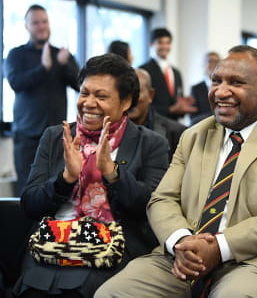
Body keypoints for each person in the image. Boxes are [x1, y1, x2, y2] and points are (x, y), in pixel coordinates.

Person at [96, 45, 257, 298]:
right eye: (216, 81)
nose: (221, 91)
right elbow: (162, 199)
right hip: (185, 256)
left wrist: (219, 247)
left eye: (236, 82)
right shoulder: (194, 136)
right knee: (112, 293)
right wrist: (181, 241)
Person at [13, 54, 169, 298]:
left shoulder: (150, 144)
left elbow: (150, 207)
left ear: (126, 101)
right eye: (84, 93)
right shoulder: (55, 137)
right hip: (51, 244)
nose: (89, 102)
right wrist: (65, 179)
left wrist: (112, 173)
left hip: (112, 248)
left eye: (102, 96)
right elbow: (29, 204)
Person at [4, 4, 79, 197]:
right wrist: (43, 67)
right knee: (27, 191)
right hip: (26, 136)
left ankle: (51, 228)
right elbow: (15, 83)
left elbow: (81, 84)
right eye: (35, 22)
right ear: (27, 26)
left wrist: (62, 65)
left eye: (44, 21)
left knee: (58, 191)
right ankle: (29, 229)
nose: (41, 26)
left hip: (57, 137)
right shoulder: (16, 54)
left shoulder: (61, 55)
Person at [129, 68, 187, 162]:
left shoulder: (178, 134)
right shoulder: (107, 132)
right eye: (125, 92)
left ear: (150, 95)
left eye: (136, 92)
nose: (130, 99)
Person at [140, 28, 197, 120]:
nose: (165, 46)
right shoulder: (143, 71)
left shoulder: (176, 72)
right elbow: (142, 105)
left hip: (174, 126)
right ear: (151, 44)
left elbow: (178, 101)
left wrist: (183, 107)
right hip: (152, 125)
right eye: (160, 42)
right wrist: (170, 110)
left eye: (168, 43)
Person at [190, 52, 220, 125]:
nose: (213, 64)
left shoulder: (224, 87)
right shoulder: (195, 88)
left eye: (216, 62)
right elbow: (193, 117)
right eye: (210, 61)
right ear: (204, 64)